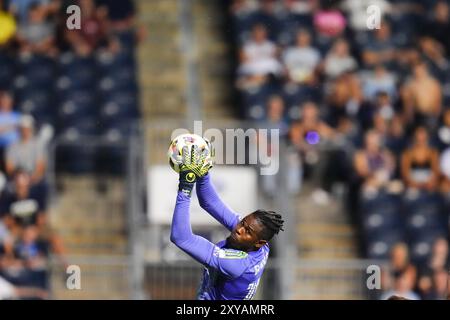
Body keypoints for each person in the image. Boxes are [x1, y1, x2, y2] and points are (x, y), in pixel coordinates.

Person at [170, 145, 284, 300]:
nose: (239, 229)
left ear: (259, 242)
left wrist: (185, 186)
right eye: (243, 222)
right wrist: (203, 173)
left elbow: (181, 238)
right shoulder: (259, 244)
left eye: (247, 231)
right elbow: (210, 203)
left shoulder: (237, 265)